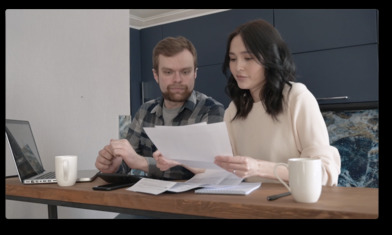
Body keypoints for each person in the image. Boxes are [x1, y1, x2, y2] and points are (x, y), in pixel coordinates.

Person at [155, 19, 341, 186]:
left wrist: (258, 167)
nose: (238, 67)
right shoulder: (234, 110)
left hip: (294, 208)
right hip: (253, 207)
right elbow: (224, 170)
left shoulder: (296, 97)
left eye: (248, 58)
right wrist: (178, 158)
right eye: (233, 59)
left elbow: (325, 171)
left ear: (270, 58)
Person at [95, 36, 225, 180]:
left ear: (195, 73)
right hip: (150, 200)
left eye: (185, 72)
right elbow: (128, 162)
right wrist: (115, 165)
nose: (177, 79)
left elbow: (212, 170)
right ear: (156, 75)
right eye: (168, 72)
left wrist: (142, 162)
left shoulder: (211, 110)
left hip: (194, 202)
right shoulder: (145, 111)